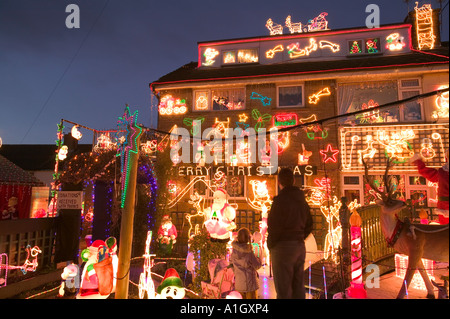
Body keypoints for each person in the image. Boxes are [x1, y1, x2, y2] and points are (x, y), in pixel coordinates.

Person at [267, 168, 313, 299]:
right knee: (298, 286)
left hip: (282, 248)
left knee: (283, 289)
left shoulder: (279, 202)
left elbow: (273, 226)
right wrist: (299, 238)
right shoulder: (302, 201)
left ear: (280, 183)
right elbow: (310, 223)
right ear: (293, 181)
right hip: (298, 246)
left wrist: (272, 245)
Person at [410, 149, 449, 225]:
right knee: (444, 231)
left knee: (444, 231)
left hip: (444, 207)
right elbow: (429, 173)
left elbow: (429, 173)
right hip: (444, 207)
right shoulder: (442, 172)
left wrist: (418, 162)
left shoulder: (443, 172)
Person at [230, 227, 262, 299]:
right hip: (250, 284)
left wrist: (236, 271)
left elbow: (231, 265)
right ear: (248, 238)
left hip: (239, 284)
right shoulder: (249, 252)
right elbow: (257, 266)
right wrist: (259, 257)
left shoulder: (234, 252)